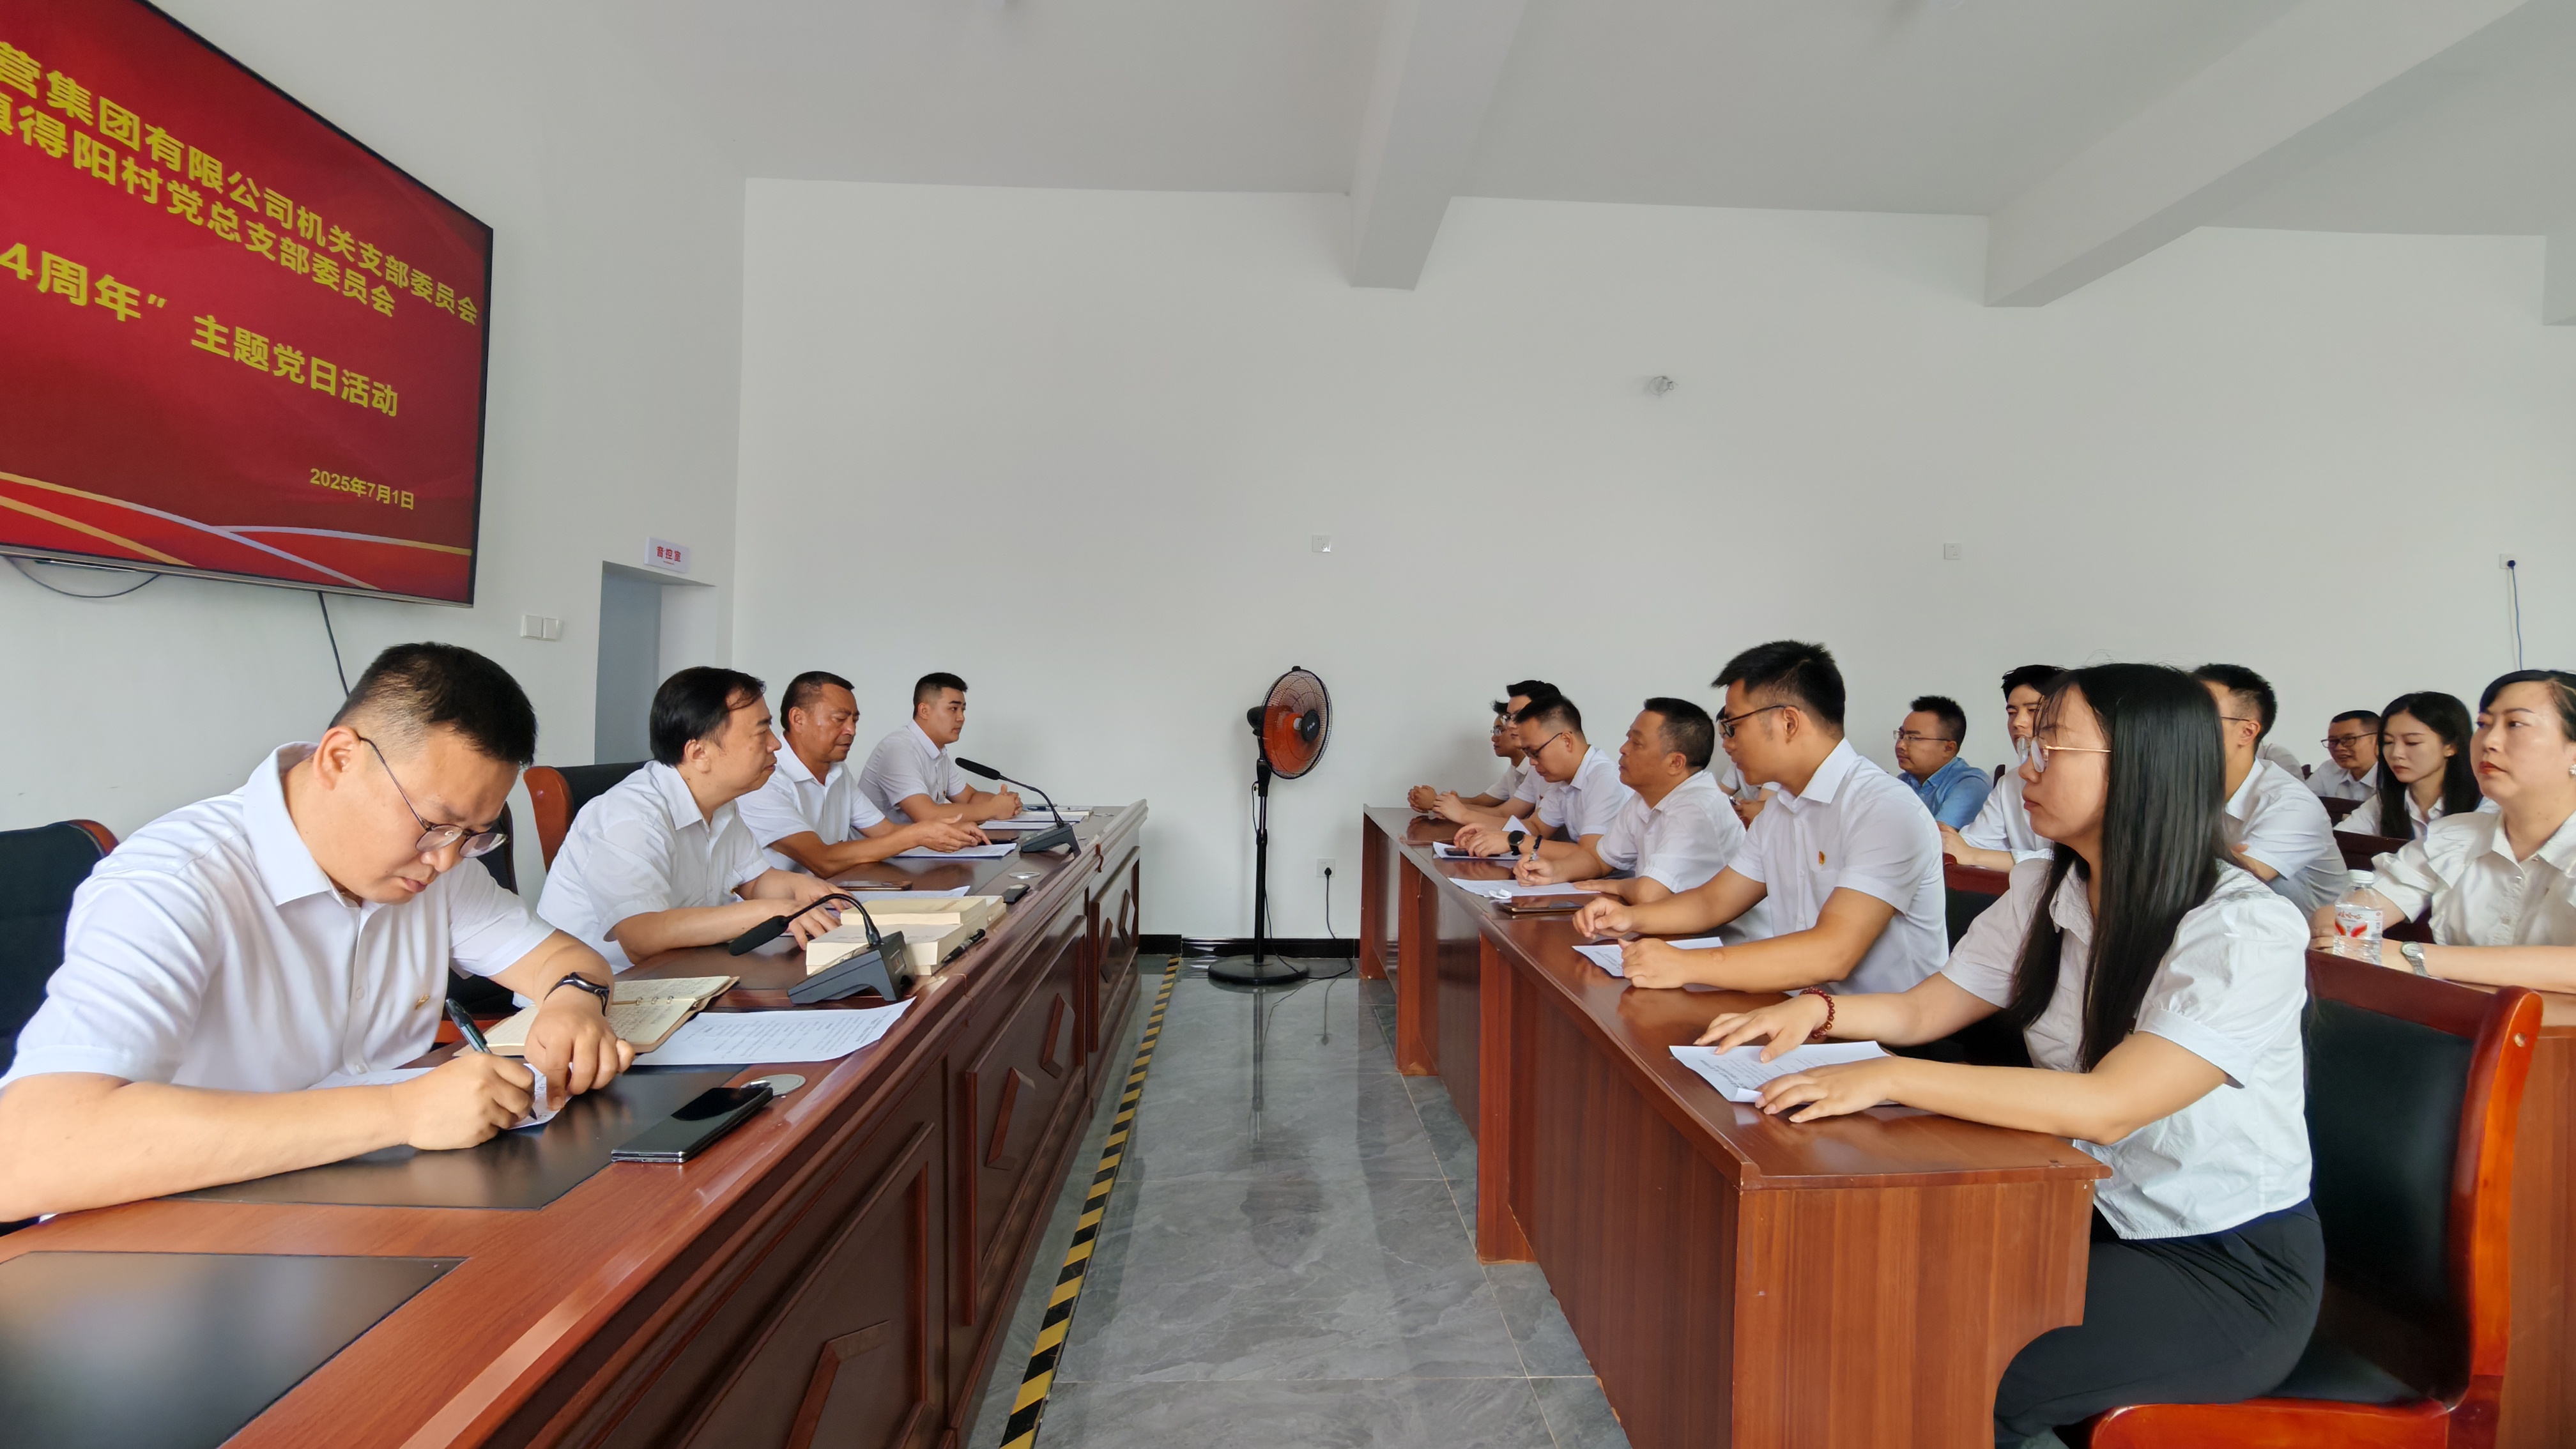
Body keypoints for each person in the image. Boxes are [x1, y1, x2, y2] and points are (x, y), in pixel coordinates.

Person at [1697, 663, 2319, 1444]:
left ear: (2143, 767)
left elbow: (2110, 1105)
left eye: (2052, 747)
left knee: (1953, 1359)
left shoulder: (2242, 928)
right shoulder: (2048, 890)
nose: (2026, 767)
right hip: (2076, 1203)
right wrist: (1815, 1011)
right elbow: (1926, 1008)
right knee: (1866, 1283)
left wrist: (1887, 1075)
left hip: (2215, 1261)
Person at [0, 644, 636, 1220]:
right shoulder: (174, 884)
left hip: (362, 1207)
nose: (447, 859)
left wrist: (575, 1002)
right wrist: (401, 1111)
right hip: (176, 1234)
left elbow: (564, 960)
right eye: (435, 824)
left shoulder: (434, 870)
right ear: (338, 759)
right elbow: (30, 1153)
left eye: (474, 835)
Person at [1570, 641, 1945, 994]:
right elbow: (1713, 902)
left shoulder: (1884, 809)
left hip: (1880, 1030)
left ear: (1789, 723)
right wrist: (1630, 918)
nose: (1727, 742)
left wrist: (1684, 964)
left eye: (1733, 725)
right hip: (1797, 1010)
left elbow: (1833, 952)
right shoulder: (1780, 810)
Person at [539, 668, 849, 972]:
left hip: (684, 973)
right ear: (699, 753)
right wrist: (771, 911)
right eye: (761, 732)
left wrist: (805, 889)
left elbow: (755, 882)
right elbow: (640, 937)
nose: (776, 744)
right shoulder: (630, 817)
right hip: (603, 990)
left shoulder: (722, 806)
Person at [2312, 670, 2576, 991]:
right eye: (2484, 724)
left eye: (2515, 724)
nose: (2488, 742)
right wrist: (2337, 929)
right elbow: (2349, 915)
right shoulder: (2454, 837)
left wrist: (2412, 956)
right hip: (2461, 1016)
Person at [1522, 700, 1771, 933]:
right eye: (1628, 738)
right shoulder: (1644, 798)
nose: (1623, 749)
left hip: (1728, 942)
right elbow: (1598, 858)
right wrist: (1554, 871)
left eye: (1637, 743)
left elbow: (1649, 894)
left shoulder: (1696, 807)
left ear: (1675, 763)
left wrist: (1616, 885)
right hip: (1674, 933)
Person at [737, 671, 992, 875]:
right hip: (780, 912)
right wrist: (920, 833)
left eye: (855, 720)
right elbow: (821, 860)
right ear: (798, 719)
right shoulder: (765, 779)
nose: (851, 730)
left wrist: (944, 830)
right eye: (840, 719)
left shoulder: (838, 771)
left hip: (832, 895)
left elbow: (887, 832)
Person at [2191, 664, 2344, 914]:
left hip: (2310, 933)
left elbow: (2233, 883)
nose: (2181, 726)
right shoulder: (2187, 786)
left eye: (2200, 716)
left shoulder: (2291, 804)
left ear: (2247, 731)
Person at [1454, 695, 1633, 861]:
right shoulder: (1561, 778)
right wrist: (1492, 833)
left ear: (1566, 741)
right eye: (1527, 753)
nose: (1532, 762)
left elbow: (1589, 854)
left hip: (1617, 880)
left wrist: (1513, 840)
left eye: (1535, 752)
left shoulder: (1604, 780)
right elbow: (1537, 827)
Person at [857, 671, 1022, 825]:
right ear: (924, 711)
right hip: (884, 848)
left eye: (963, 710)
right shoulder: (898, 750)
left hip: (920, 846)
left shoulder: (937, 752)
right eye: (953, 709)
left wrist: (1006, 802)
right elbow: (927, 816)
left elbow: (970, 798)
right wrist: (993, 809)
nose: (961, 718)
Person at [1943, 664, 2058, 871]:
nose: (2018, 723)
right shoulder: (2010, 783)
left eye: (2033, 711)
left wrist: (1974, 855)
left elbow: (2070, 862)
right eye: (2012, 713)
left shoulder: (2087, 780)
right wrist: (1947, 840)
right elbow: (1974, 843)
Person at [2335, 692, 2485, 841]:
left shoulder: (2483, 803)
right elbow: (2337, 842)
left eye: (2412, 742)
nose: (2396, 754)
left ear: (2451, 746)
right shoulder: (2384, 803)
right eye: (2388, 742)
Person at [1411, 680, 1556, 827]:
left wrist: (1442, 805)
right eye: (1509, 718)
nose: (1511, 725)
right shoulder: (1535, 770)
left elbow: (1533, 829)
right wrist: (1448, 806)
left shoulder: (1557, 772)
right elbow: (1506, 814)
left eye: (1519, 716)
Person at [1895, 694, 1991, 829]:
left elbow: (1938, 838)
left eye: (1913, 738)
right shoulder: (1903, 781)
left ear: (1948, 748)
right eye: (1901, 735)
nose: (1901, 745)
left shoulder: (1971, 785)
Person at [2308, 711, 2381, 805]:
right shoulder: (2328, 770)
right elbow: (2302, 802)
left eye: (2349, 739)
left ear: (2378, 741)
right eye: (2333, 741)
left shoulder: (2394, 775)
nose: (2339, 748)